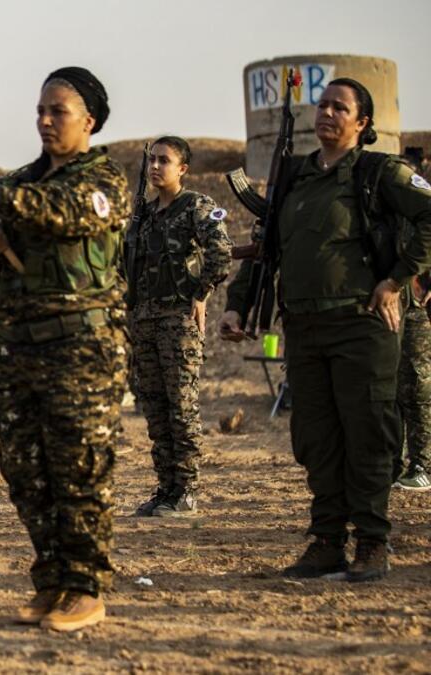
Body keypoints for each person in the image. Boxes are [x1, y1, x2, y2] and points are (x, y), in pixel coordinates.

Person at [218, 78, 431, 581]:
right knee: (316, 438)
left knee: (368, 434)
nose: (328, 113)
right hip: (305, 328)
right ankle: (327, 542)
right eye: (323, 104)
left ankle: (372, 544)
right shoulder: (295, 177)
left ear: (362, 122)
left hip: (361, 325)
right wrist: (237, 306)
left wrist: (396, 279)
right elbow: (268, 246)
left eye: (341, 107)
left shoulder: (381, 172)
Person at [0, 66, 130, 632]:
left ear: (90, 121)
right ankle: (51, 579)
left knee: (79, 468)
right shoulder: (21, 183)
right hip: (17, 353)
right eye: (40, 111)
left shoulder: (103, 181)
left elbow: (68, 213)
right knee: (25, 470)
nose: (45, 121)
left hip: (82, 352)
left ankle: (86, 587)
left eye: (59, 111)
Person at [126, 136, 233, 517]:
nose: (156, 167)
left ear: (182, 169)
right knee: (155, 409)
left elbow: (221, 252)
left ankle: (186, 490)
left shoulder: (196, 207)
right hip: (144, 321)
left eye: (164, 161)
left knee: (181, 407)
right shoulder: (144, 214)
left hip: (177, 321)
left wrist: (201, 292)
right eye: (152, 160)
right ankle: (166, 487)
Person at [396, 273, 431, 490]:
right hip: (388, 307)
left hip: (419, 310)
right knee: (390, 388)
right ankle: (392, 465)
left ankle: (423, 467)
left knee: (419, 387)